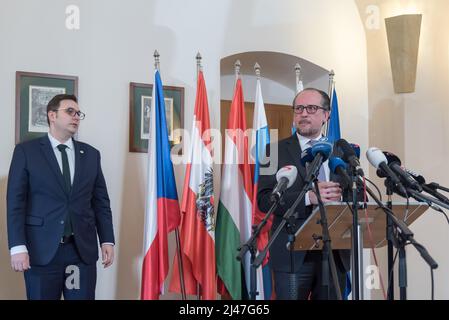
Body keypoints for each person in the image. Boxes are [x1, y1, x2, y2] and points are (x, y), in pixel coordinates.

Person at [7, 94, 115, 300]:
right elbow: (15, 203)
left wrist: (107, 239)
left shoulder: (91, 154)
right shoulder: (26, 152)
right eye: (70, 112)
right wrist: (17, 246)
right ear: (52, 115)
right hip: (41, 251)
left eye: (78, 113)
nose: (76, 117)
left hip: (81, 252)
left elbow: (101, 202)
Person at [257, 88, 350, 300]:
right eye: (299, 109)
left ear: (326, 115)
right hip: (292, 254)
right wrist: (309, 197)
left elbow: (358, 193)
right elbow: (264, 201)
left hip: (334, 254)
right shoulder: (272, 151)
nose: (304, 113)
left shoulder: (342, 151)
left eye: (311, 108)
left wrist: (341, 197)